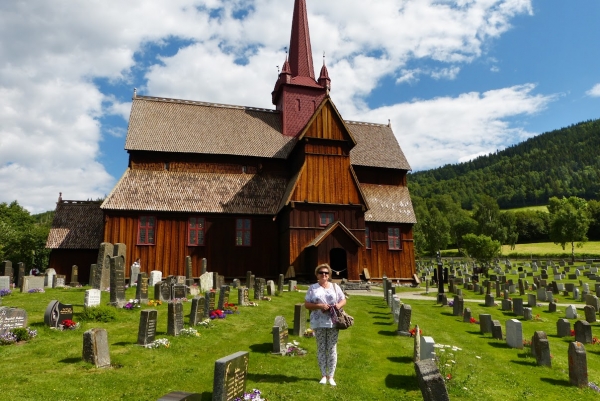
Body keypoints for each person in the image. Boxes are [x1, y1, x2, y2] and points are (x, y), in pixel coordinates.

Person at [304, 263, 346, 386]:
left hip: (333, 321)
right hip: (318, 322)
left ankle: (331, 376)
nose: (324, 275)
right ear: (317, 274)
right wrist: (319, 306)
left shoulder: (335, 287)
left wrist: (338, 305)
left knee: (332, 348)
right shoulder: (313, 288)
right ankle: (323, 375)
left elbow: (343, 299)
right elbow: (307, 304)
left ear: (329, 275)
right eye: (321, 272)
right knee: (321, 348)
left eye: (326, 273)